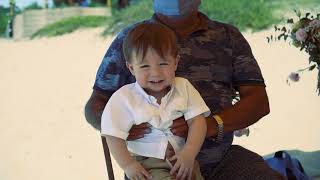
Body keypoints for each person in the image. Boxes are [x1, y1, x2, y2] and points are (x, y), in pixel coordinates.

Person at [85, 0, 284, 179]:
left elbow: (258, 101)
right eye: (145, 66)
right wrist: (120, 128)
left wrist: (211, 125)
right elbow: (95, 104)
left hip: (220, 158)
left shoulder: (228, 37)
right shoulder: (132, 39)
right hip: (150, 165)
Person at [101, 22, 209, 180]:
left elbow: (197, 121)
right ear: (131, 68)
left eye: (163, 63)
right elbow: (112, 135)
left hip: (184, 159)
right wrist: (128, 165)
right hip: (148, 166)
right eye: (144, 66)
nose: (155, 73)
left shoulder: (183, 87)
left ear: (175, 63)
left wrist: (189, 152)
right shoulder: (124, 98)